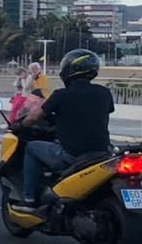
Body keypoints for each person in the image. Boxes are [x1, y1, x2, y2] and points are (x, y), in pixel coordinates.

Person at [15, 49, 112, 208]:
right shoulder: (104, 93)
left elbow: (34, 117)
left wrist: (18, 125)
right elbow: (95, 113)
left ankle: (29, 199)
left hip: (72, 155)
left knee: (31, 148)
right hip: (102, 154)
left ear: (68, 70)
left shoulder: (61, 95)